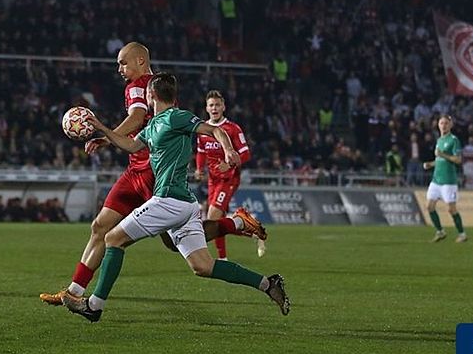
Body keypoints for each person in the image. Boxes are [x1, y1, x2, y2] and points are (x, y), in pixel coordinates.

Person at [61, 73, 290, 322]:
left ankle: (94, 306)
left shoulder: (175, 117)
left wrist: (228, 149)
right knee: (203, 266)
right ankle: (268, 284)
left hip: (169, 200)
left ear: (151, 95)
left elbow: (215, 130)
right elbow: (131, 146)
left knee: (113, 238)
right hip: (184, 204)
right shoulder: (152, 126)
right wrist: (101, 130)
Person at [39, 42, 156, 306]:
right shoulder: (154, 84)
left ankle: (237, 224)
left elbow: (137, 118)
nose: (119, 69)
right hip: (135, 169)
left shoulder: (138, 86)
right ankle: (74, 292)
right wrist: (110, 139)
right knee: (100, 226)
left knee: (180, 246)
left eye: (123, 62)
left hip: (154, 173)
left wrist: (106, 133)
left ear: (140, 60)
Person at [194, 89, 263, 259]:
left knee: (212, 219)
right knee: (218, 222)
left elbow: (246, 154)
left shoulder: (232, 129)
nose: (214, 108)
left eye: (218, 104)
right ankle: (251, 232)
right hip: (212, 179)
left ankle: (222, 258)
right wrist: (198, 169)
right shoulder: (203, 129)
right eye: (211, 105)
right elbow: (201, 152)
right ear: (207, 108)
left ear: (223, 107)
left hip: (229, 179)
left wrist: (229, 163)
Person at [422, 114, 467, 242]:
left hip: (448, 181)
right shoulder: (439, 140)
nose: (444, 125)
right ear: (438, 125)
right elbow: (440, 159)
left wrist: (442, 154)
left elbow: (458, 160)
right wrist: (430, 164)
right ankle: (440, 231)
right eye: (441, 123)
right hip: (436, 180)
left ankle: (462, 234)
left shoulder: (454, 140)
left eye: (446, 123)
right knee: (429, 206)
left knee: (451, 209)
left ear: (450, 125)